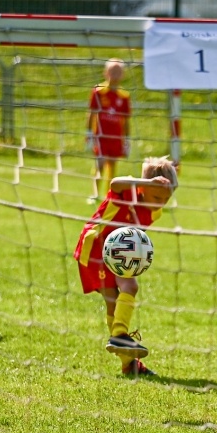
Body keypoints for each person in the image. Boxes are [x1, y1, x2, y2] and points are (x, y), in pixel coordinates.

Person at [74, 156, 178, 377]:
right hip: (96, 247)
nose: (160, 203)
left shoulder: (154, 212)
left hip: (119, 253)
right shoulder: (128, 191)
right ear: (143, 187)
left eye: (165, 199)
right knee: (116, 298)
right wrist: (147, 182)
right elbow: (115, 183)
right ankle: (125, 352)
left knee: (127, 291)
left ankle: (124, 349)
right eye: (156, 197)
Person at [86, 58, 132, 201]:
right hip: (101, 136)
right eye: (112, 71)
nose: (115, 75)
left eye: (118, 72)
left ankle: (109, 196)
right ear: (105, 73)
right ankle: (95, 194)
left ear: (123, 74)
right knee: (100, 163)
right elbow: (92, 113)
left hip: (116, 137)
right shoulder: (98, 91)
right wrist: (89, 133)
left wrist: (127, 140)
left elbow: (126, 120)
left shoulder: (124, 96)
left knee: (112, 165)